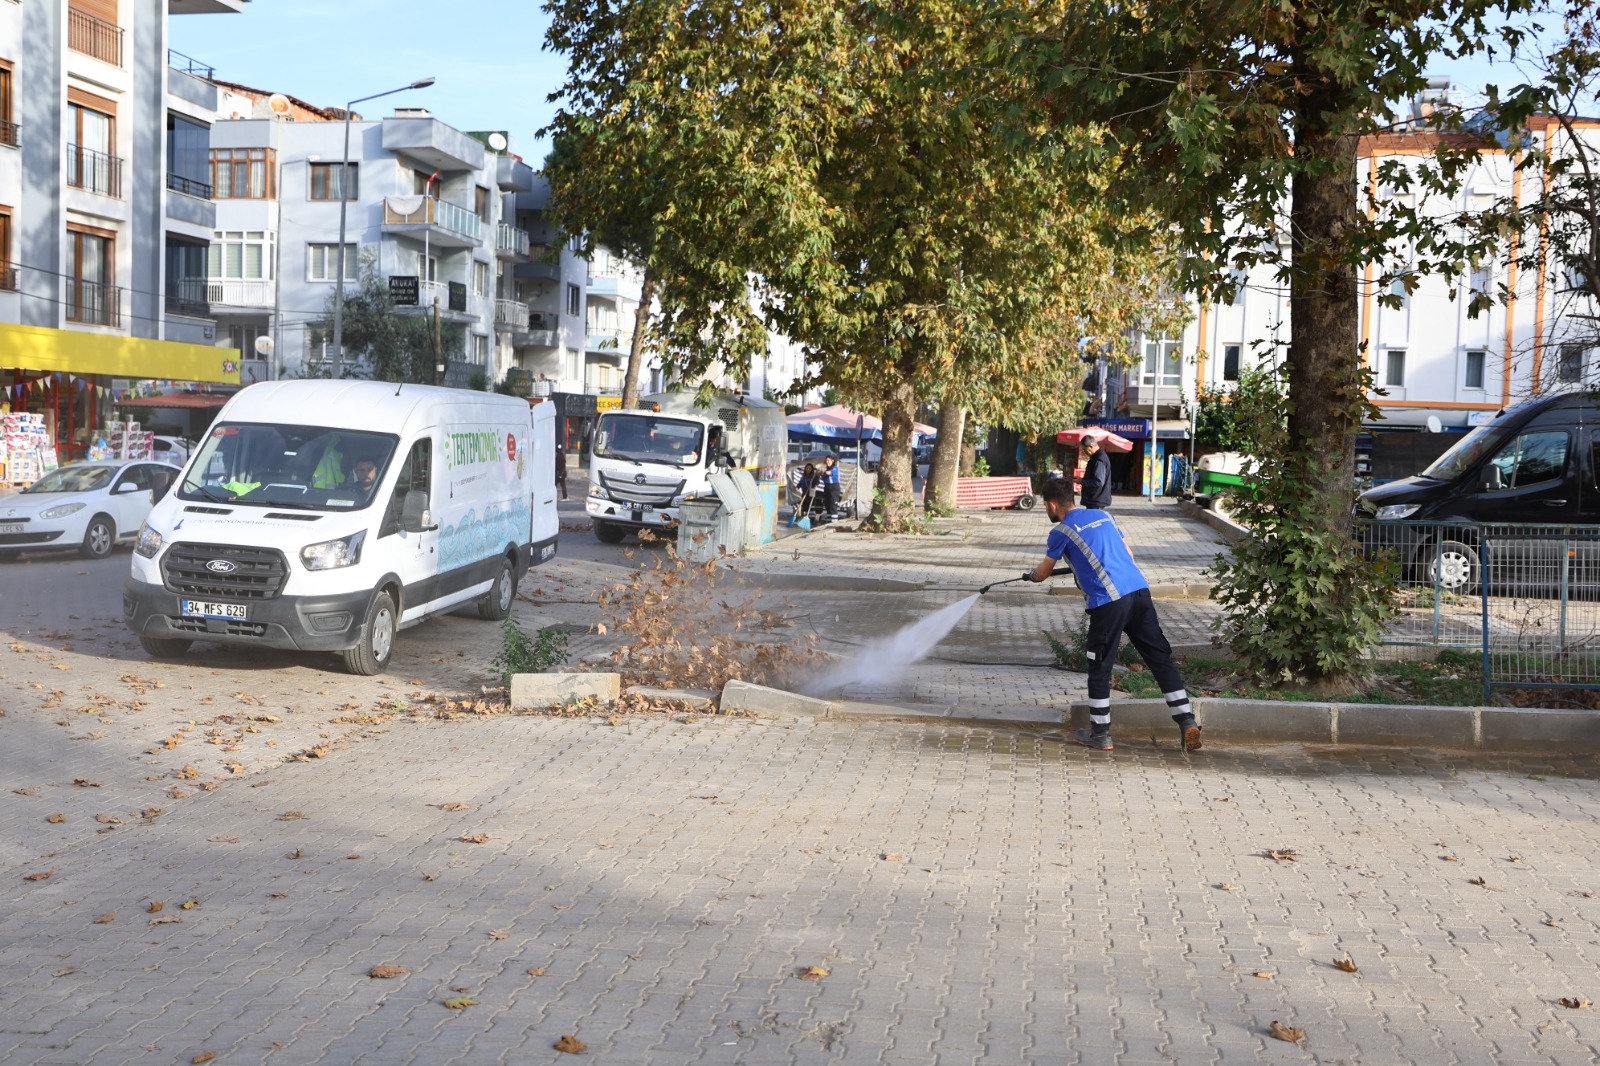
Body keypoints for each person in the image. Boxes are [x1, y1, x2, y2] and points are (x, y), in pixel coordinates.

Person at [1025, 477, 1201, 753]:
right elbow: (1127, 553)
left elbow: (1044, 572)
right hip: (1139, 591)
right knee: (1158, 658)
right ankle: (1186, 720)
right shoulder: (1103, 515)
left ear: (1051, 505)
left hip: (1109, 601)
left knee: (1099, 666)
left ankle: (1100, 733)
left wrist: (1033, 576)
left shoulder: (1061, 532)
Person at [1078, 434, 1113, 509]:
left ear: (1091, 447)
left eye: (1084, 449)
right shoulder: (1097, 457)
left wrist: (1082, 481)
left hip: (1096, 500)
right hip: (1095, 499)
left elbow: (1098, 482)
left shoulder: (1099, 459)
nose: (1084, 452)